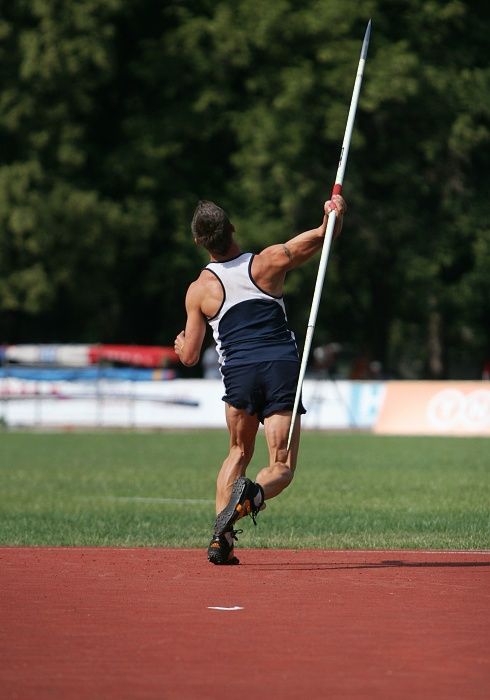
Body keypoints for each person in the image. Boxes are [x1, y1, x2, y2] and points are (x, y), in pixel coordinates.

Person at [174, 196, 346, 564]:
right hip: (281, 367)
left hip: (239, 373)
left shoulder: (199, 290)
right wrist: (334, 214)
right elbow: (322, 237)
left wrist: (179, 344)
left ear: (198, 242)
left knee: (237, 452)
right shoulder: (267, 262)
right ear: (232, 229)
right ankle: (252, 496)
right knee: (281, 466)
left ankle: (221, 540)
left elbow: (189, 356)